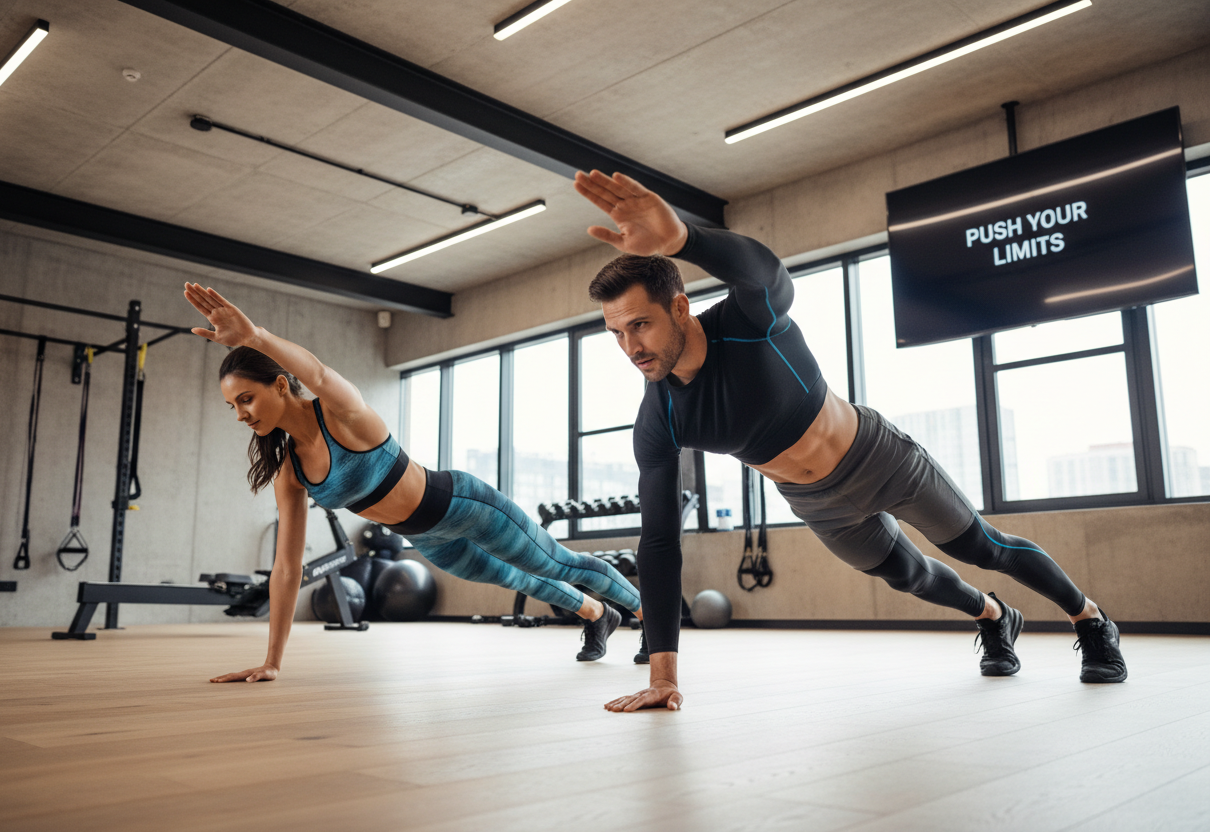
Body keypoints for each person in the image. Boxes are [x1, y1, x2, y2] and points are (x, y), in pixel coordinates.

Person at [571, 170, 1129, 713]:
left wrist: (683, 240)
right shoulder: (659, 416)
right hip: (817, 503)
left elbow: (768, 274)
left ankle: (1091, 620)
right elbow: (662, 542)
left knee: (980, 547)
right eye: (616, 333)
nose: (630, 347)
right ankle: (992, 616)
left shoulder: (748, 321)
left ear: (679, 306)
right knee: (909, 576)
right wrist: (662, 677)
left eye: (639, 325)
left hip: (879, 458)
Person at [182, 282, 640, 683]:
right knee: (514, 576)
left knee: (555, 564)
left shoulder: (341, 415)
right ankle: (598, 614)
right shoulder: (291, 470)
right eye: (233, 406)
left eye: (247, 399)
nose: (242, 414)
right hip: (428, 538)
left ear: (281, 386)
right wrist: (272, 661)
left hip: (462, 504)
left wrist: (256, 337)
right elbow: (286, 569)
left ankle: (653, 618)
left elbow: (318, 374)